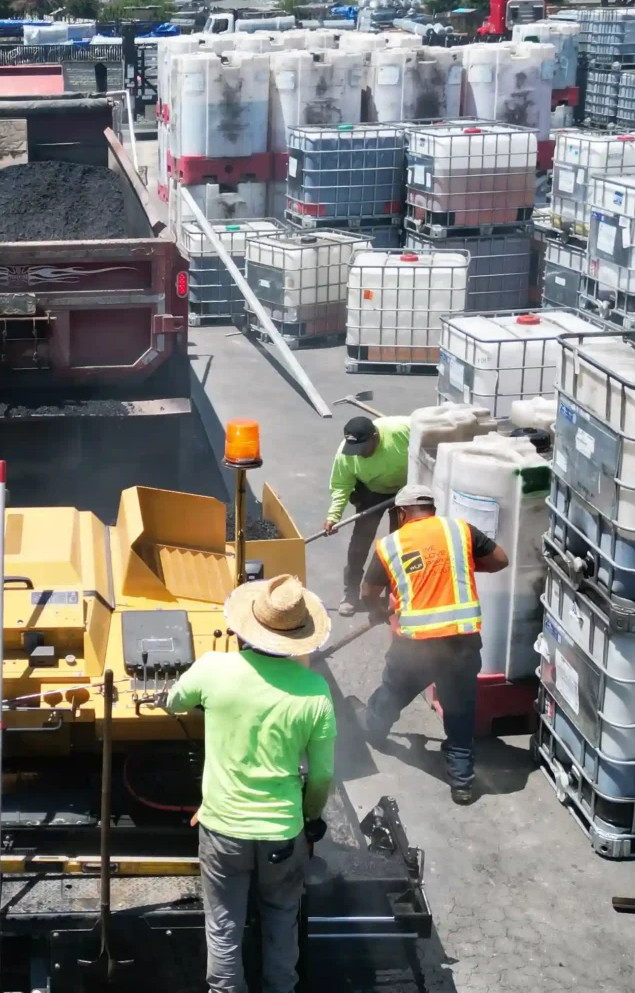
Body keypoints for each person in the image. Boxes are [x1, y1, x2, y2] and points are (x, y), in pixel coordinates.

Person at [166, 574, 337, 993]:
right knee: (281, 915)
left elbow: (174, 701)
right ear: (297, 638)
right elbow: (322, 776)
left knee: (224, 922)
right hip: (282, 833)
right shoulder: (316, 692)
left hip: (223, 831)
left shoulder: (213, 668)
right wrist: (310, 816)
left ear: (247, 627)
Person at [356, 485, 509, 806]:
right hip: (461, 643)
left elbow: (368, 592)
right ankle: (462, 783)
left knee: (393, 691)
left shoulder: (390, 545)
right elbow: (499, 560)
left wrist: (379, 610)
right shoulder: (460, 531)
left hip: (417, 646)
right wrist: (463, 564)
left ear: (402, 513)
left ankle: (373, 728)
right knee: (459, 710)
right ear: (431, 510)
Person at [323, 413, 412, 616]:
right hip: (371, 490)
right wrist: (333, 516)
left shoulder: (401, 430)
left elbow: (431, 438)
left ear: (375, 437)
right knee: (360, 542)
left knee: (398, 543)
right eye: (354, 449)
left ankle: (393, 593)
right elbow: (341, 485)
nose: (359, 454)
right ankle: (351, 592)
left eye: (363, 448)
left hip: (404, 491)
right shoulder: (346, 453)